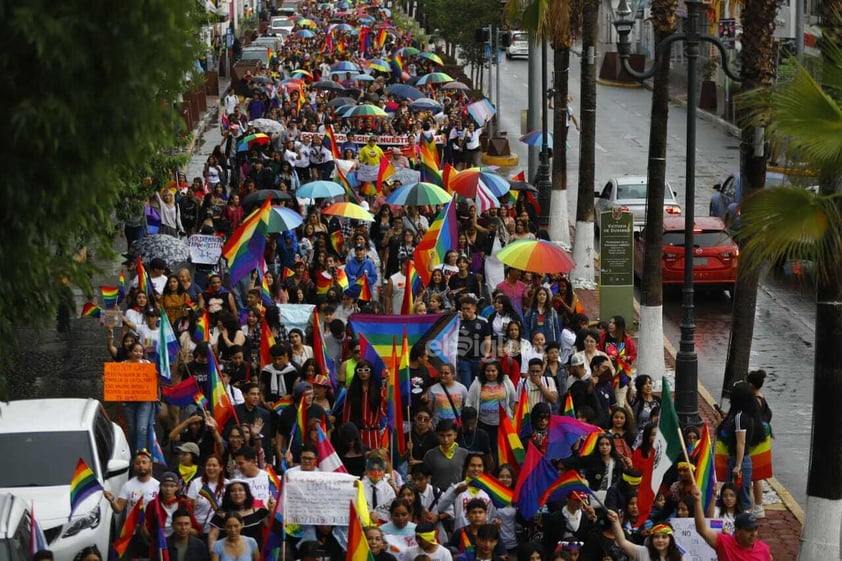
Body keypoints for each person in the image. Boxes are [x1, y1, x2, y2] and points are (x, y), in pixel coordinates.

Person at [690, 483, 772, 560]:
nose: (753, 534)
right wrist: (697, 501)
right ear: (738, 531)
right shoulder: (724, 543)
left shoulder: (764, 549)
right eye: (749, 530)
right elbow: (702, 529)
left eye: (755, 529)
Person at [717, 382, 765, 512]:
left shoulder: (739, 417)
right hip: (744, 459)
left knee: (735, 494)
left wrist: (737, 465)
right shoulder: (749, 415)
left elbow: (741, 442)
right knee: (742, 494)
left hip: (738, 460)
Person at [746, 369, 772, 519]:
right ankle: (758, 506)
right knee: (757, 476)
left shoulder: (754, 400)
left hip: (754, 441)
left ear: (750, 384)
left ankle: (753, 506)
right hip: (762, 440)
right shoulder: (762, 397)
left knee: (751, 475)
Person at [606, 511, 683, 561]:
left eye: (664, 537)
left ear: (671, 539)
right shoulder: (643, 552)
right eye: (656, 537)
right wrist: (615, 521)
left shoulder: (678, 557)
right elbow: (622, 542)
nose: (660, 540)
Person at [423, 419, 470, 491]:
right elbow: (425, 477)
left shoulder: (464, 454)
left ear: (455, 435)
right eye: (442, 435)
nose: (445, 439)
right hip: (437, 495)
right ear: (437, 435)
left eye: (449, 435)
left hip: (458, 494)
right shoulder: (430, 455)